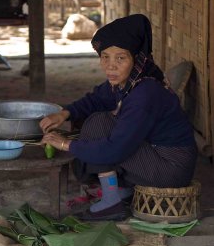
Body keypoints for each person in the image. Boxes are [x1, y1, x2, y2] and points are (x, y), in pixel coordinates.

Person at [40, 14, 197, 221]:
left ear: (136, 58)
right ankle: (118, 191)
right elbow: (96, 98)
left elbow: (115, 149)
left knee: (98, 125)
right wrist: (64, 113)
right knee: (97, 119)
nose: (110, 66)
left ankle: (111, 202)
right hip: (156, 156)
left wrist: (65, 144)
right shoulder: (128, 81)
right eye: (105, 56)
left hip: (170, 167)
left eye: (120, 58)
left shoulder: (145, 93)